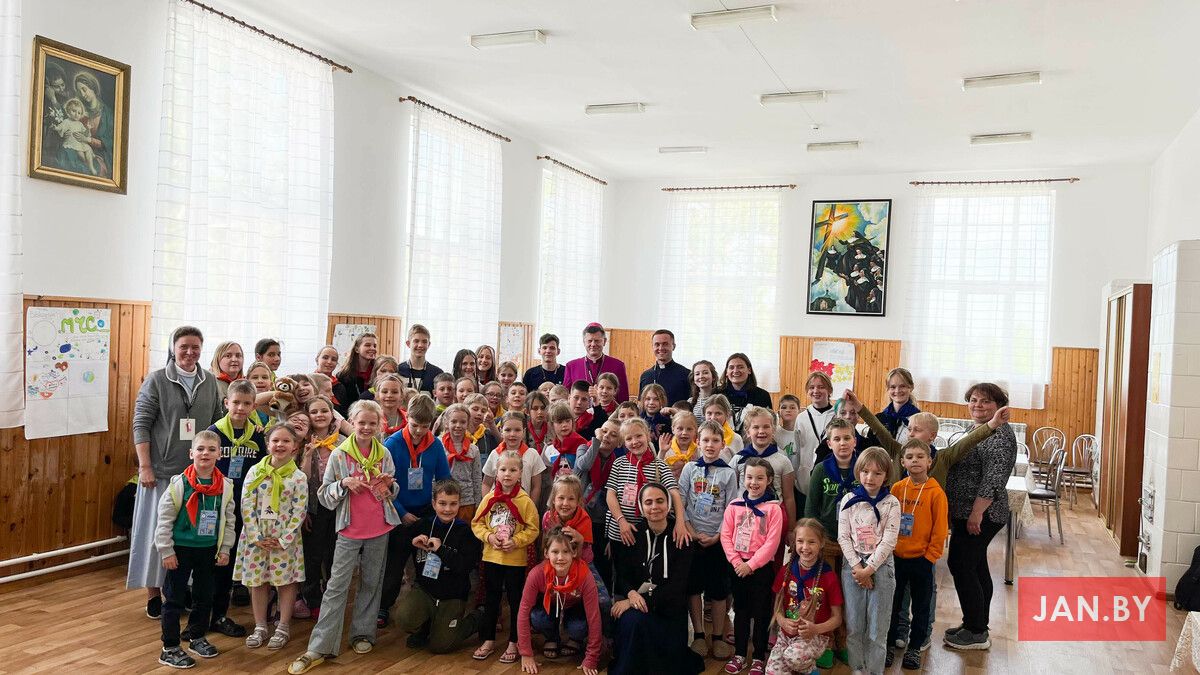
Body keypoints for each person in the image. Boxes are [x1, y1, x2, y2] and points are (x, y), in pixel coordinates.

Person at [287, 401, 400, 675]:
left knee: (371, 583)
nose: (366, 428)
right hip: (349, 530)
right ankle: (320, 646)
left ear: (379, 425)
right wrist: (343, 484)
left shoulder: (384, 453)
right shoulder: (339, 455)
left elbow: (392, 490)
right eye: (361, 422)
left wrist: (390, 485)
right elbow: (324, 495)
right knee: (336, 587)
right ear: (351, 422)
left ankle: (363, 634)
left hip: (379, 528)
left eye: (372, 423)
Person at [130, 326, 223, 620]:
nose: (189, 352)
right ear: (173, 348)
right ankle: (153, 594)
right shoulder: (157, 380)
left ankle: (182, 591)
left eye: (195, 347)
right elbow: (141, 424)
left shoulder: (210, 381)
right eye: (184, 346)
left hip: (198, 474)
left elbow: (217, 424)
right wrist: (145, 466)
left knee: (191, 536)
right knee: (156, 534)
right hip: (160, 473)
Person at [943, 383, 1017, 652]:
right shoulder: (978, 429)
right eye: (973, 400)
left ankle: (976, 631)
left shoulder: (1000, 435)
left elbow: (993, 480)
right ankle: (976, 623)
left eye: (985, 401)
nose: (978, 405)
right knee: (975, 566)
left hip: (980, 514)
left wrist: (976, 512)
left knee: (961, 564)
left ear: (999, 406)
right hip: (966, 512)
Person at [153, 430, 234, 669]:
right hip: (180, 550)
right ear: (191, 453)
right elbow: (164, 519)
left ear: (220, 454)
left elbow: (229, 521)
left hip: (208, 550)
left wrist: (225, 548)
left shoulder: (225, 486)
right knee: (174, 599)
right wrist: (166, 551)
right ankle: (169, 647)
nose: (205, 453)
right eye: (200, 449)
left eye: (211, 449)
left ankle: (197, 636)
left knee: (204, 596)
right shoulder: (179, 485)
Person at [609, 483, 704, 675]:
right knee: (630, 621)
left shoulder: (681, 539)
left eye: (660, 501)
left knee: (637, 621)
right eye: (648, 502)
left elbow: (675, 587)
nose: (654, 507)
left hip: (668, 612)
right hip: (640, 605)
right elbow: (623, 575)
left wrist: (633, 600)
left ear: (668, 505)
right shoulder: (633, 535)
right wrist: (631, 593)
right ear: (641, 507)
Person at [379, 394, 450, 624]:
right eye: (414, 425)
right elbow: (384, 484)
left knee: (427, 562)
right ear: (406, 417)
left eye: (425, 426)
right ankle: (383, 607)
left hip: (425, 513)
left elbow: (444, 480)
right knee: (394, 566)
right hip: (398, 513)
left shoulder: (435, 445)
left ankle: (428, 604)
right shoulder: (392, 444)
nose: (419, 431)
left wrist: (441, 508)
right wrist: (401, 512)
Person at [236, 424, 308, 651]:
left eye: (286, 441)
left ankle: (283, 626)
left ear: (295, 446)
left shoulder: (298, 477)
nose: (280, 445)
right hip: (256, 540)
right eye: (275, 440)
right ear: (268, 444)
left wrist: (284, 539)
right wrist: (255, 536)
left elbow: (299, 511)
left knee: (285, 582)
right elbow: (246, 504)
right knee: (258, 582)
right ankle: (260, 625)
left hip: (284, 542)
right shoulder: (255, 472)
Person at [207, 380, 268, 638]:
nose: (241, 408)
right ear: (226, 403)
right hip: (215, 506)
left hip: (244, 507)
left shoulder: (257, 435)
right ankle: (203, 614)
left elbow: (263, 469)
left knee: (228, 559)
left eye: (246, 404)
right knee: (211, 560)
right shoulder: (213, 433)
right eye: (236, 403)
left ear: (254, 406)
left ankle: (219, 615)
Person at [396, 479, 484, 653]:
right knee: (404, 618)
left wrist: (441, 550)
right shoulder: (423, 525)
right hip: (425, 590)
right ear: (433, 503)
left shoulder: (466, 532)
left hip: (453, 595)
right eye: (442, 503)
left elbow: (465, 567)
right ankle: (425, 628)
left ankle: (478, 618)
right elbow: (397, 542)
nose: (447, 509)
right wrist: (411, 541)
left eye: (453, 504)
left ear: (459, 504)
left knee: (441, 646)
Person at [472, 450, 541, 664]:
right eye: (503, 469)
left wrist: (517, 541)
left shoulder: (525, 501)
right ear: (496, 472)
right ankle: (488, 639)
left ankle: (514, 641)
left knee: (515, 600)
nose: (507, 474)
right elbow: (477, 523)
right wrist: (489, 537)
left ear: (520, 473)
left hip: (515, 560)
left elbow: (533, 529)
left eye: (513, 470)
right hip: (491, 558)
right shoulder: (489, 498)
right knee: (491, 599)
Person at [885, 439, 948, 670]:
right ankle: (889, 644)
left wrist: (930, 557)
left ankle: (914, 647)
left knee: (921, 607)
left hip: (922, 560)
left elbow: (940, 530)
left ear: (929, 461)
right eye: (909, 457)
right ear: (902, 462)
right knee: (893, 604)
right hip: (896, 558)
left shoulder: (936, 493)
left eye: (920, 456)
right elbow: (888, 522)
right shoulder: (897, 489)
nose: (915, 461)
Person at [838, 447, 901, 675]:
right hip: (853, 566)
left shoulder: (892, 503)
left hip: (881, 568)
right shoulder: (848, 500)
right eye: (865, 471)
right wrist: (858, 567)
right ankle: (858, 668)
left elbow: (889, 540)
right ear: (858, 472)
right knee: (855, 627)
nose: (870, 478)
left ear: (886, 475)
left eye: (877, 473)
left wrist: (869, 569)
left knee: (877, 630)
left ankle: (874, 671)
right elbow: (843, 536)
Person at [679, 420, 738, 659]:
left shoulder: (728, 473)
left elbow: (731, 507)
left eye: (715, 441)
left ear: (723, 444)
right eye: (705, 440)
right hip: (692, 538)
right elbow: (681, 501)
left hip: (718, 541)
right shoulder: (689, 469)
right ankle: (699, 635)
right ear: (698, 442)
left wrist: (718, 536)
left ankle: (718, 636)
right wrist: (690, 530)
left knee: (719, 590)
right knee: (693, 588)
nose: (710, 445)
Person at [720, 458, 784, 674]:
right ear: (743, 478)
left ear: (769, 480)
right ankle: (739, 654)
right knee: (741, 611)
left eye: (759, 478)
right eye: (749, 477)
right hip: (737, 566)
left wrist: (752, 565)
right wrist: (737, 562)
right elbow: (725, 536)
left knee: (761, 613)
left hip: (760, 569)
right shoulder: (734, 506)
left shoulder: (773, 509)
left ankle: (758, 656)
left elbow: (772, 543)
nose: (753, 482)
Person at [518, 527, 604, 675]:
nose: (560, 557)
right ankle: (551, 637)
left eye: (566, 551)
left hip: (575, 607)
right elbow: (523, 612)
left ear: (574, 553)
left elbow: (594, 616)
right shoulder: (536, 574)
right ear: (546, 553)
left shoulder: (585, 575)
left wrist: (592, 657)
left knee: (578, 627)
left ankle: (576, 639)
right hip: (550, 607)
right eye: (555, 552)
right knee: (536, 617)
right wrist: (526, 653)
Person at [604, 418, 691, 559]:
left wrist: (680, 523)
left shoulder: (660, 466)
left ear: (648, 436)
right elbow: (610, 494)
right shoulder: (619, 464)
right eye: (629, 438)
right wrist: (621, 522)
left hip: (648, 533)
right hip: (620, 531)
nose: (634, 442)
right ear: (624, 442)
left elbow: (675, 494)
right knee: (620, 569)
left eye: (639, 436)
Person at [767, 519, 844, 675]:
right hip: (786, 635)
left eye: (812, 542)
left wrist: (815, 629)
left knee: (793, 657)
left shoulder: (829, 577)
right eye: (800, 541)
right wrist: (782, 621)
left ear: (822, 543)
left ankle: (810, 670)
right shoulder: (786, 571)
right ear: (794, 542)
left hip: (815, 636)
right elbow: (777, 606)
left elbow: (837, 618)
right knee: (771, 672)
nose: (805, 547)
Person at [299, 396, 341, 622]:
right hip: (313, 506)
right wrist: (303, 509)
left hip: (337, 505)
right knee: (313, 555)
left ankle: (332, 596)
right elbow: (300, 479)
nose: (319, 415)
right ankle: (312, 598)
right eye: (314, 411)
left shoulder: (343, 441)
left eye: (324, 410)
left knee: (334, 554)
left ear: (332, 414)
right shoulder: (303, 441)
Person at [574, 419, 625, 589]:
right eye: (604, 431)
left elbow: (615, 496)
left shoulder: (617, 462)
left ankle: (602, 597)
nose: (607, 436)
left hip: (600, 520)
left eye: (613, 435)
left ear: (619, 443)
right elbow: (584, 464)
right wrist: (596, 441)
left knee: (601, 562)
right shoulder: (584, 448)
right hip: (579, 515)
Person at [732, 406, 797, 540]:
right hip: (744, 516)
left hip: (774, 518)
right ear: (748, 431)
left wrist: (791, 529)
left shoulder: (783, 461)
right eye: (756, 427)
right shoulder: (738, 459)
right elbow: (732, 491)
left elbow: (789, 497)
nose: (761, 431)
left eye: (766, 427)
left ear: (773, 430)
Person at [483, 411, 547, 506]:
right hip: (497, 508)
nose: (512, 434)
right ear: (501, 431)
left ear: (524, 432)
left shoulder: (532, 454)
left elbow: (536, 486)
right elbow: (486, 483)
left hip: (523, 507)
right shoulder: (495, 454)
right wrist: (487, 506)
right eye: (508, 430)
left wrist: (531, 507)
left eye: (517, 430)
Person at [563, 323, 630, 403]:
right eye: (590, 341)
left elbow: (623, 399)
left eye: (597, 341)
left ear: (604, 341)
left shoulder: (618, 366)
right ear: (584, 342)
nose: (593, 344)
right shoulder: (571, 366)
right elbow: (566, 397)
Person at [440, 403, 483, 521]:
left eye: (463, 422)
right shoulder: (439, 446)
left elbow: (477, 478)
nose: (458, 425)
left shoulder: (473, 449)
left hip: (467, 501)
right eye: (454, 421)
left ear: (468, 423)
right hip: (444, 501)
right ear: (446, 423)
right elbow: (433, 476)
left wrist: (478, 503)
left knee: (464, 530)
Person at [719, 353, 773, 432]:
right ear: (726, 372)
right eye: (731, 367)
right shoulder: (718, 394)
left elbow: (768, 423)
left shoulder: (762, 395)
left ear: (749, 370)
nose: (735, 371)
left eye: (740, 367)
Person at [638, 329, 692, 405]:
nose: (661, 348)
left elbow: (690, 404)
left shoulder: (686, 374)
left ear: (673, 346)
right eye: (657, 344)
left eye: (665, 344)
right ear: (652, 347)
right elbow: (641, 404)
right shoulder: (646, 376)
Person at [332, 333, 377, 416]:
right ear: (357, 349)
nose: (372, 348)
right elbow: (342, 406)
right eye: (367, 345)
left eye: (374, 346)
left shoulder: (379, 373)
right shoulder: (343, 376)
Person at [877, 368, 920, 443]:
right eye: (893, 387)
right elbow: (869, 445)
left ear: (911, 387)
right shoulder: (880, 418)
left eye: (902, 386)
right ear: (888, 389)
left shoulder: (919, 420)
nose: (897, 391)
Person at [658, 409, 699, 480]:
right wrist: (662, 452)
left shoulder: (698, 450)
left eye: (689, 429)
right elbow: (657, 470)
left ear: (695, 431)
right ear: (673, 429)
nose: (684, 433)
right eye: (680, 428)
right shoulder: (666, 449)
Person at [688, 360, 720, 425]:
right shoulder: (690, 402)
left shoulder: (720, 400)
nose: (701, 376)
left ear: (713, 377)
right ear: (694, 379)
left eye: (705, 373)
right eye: (697, 374)